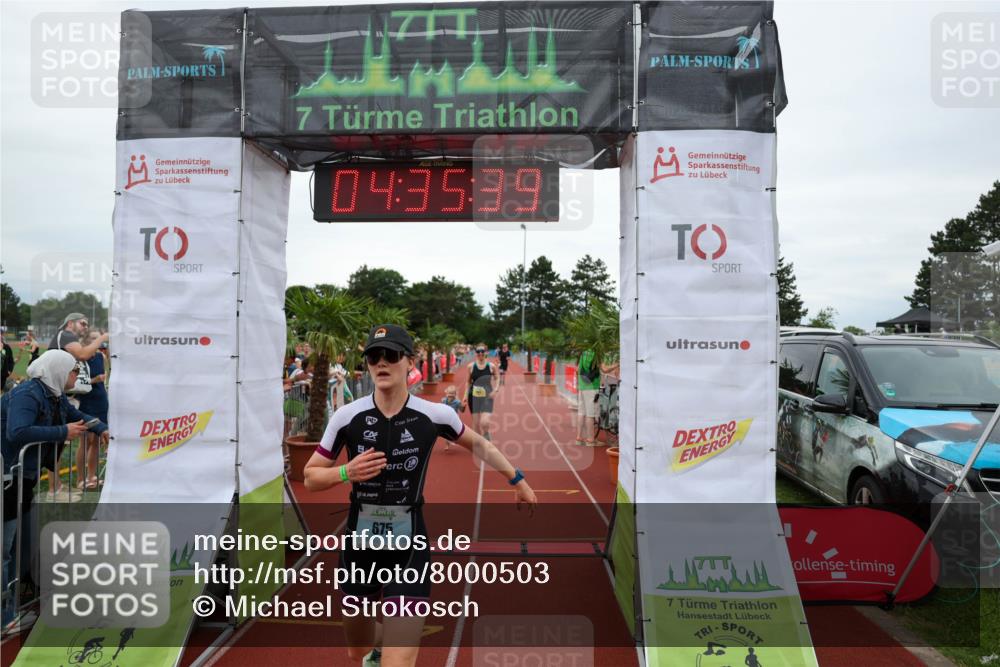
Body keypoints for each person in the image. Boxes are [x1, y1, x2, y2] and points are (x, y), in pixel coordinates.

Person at [303, 324, 536, 667]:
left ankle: (394, 649)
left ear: (409, 362)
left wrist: (518, 480)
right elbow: (310, 477)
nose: (381, 363)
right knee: (358, 650)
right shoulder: (347, 417)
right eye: (373, 357)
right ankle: (382, 645)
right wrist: (345, 472)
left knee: (398, 661)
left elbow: (480, 444)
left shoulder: (434, 415)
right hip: (359, 545)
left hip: (409, 546)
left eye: (391, 356)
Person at [2, 350, 109, 627]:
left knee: (22, 545)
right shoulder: (28, 393)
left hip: (23, 477)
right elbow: (18, 431)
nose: (76, 376)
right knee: (5, 548)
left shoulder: (53, 394)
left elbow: (78, 414)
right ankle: (4, 616)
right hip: (8, 477)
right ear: (58, 370)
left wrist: (101, 428)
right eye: (74, 370)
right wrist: (62, 432)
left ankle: (15, 602)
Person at [76, 332, 109, 490]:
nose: (98, 340)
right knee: (84, 441)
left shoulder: (101, 357)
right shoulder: (81, 357)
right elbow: (77, 381)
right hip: (86, 400)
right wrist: (94, 380)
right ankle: (81, 479)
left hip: (101, 400)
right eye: (94, 338)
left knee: (96, 440)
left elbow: (106, 376)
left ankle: (92, 476)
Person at [461, 343, 499, 442]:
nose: (480, 353)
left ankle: (486, 434)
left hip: (487, 396)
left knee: (484, 422)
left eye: (482, 351)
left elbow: (497, 377)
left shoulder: (491, 366)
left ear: (486, 352)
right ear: (476, 353)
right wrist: (465, 396)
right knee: (476, 424)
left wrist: (496, 389)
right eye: (478, 351)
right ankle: (480, 444)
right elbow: (468, 382)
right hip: (473, 397)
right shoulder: (471, 366)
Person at [575, 348, 601, 447]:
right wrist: (617, 365)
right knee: (590, 414)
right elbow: (604, 368)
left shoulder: (583, 352)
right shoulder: (596, 353)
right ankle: (590, 440)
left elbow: (578, 369)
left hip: (582, 387)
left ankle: (579, 437)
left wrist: (579, 384)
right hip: (592, 387)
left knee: (581, 412)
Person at [440, 386, 463, 453]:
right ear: (446, 393)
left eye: (452, 393)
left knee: (455, 431)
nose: (450, 395)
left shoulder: (457, 402)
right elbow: (441, 408)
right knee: (446, 431)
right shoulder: (444, 400)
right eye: (449, 393)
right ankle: (447, 444)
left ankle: (454, 439)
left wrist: (463, 405)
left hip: (454, 419)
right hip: (446, 418)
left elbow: (461, 410)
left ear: (455, 394)